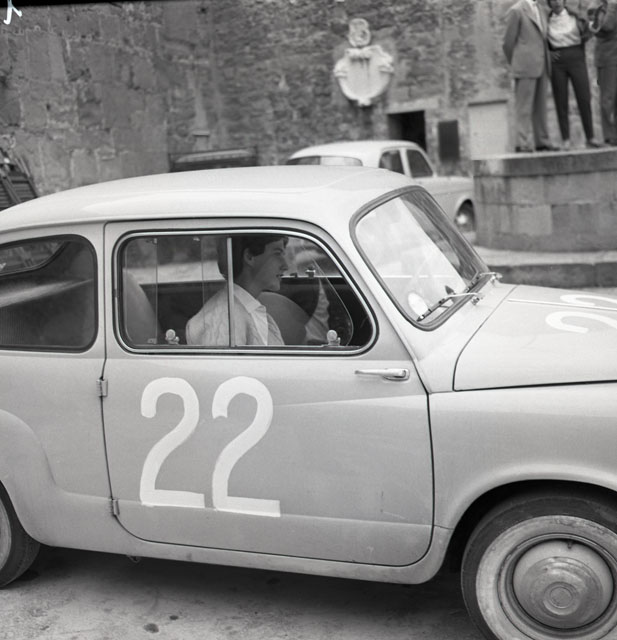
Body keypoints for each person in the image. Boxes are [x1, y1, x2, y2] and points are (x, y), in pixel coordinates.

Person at [185, 235, 288, 347]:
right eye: (277, 254)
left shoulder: (251, 310)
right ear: (249, 257)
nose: (285, 266)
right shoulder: (224, 318)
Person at [503, 0, 558, 152]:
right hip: (525, 65)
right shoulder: (516, 10)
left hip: (542, 64)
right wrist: (517, 62)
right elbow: (507, 43)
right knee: (524, 107)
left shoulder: (541, 9)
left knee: (541, 106)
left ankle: (542, 141)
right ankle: (522, 143)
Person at [547, 0, 600, 148]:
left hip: (576, 57)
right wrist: (547, 52)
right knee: (560, 99)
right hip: (557, 61)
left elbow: (590, 31)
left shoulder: (576, 17)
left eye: (559, 0)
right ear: (549, 3)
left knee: (584, 97)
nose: (557, 3)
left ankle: (590, 137)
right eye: (553, 1)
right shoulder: (546, 21)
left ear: (564, 1)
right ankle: (565, 140)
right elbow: (540, 40)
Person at [590, 0, 617, 144]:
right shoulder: (599, 9)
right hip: (607, 59)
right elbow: (606, 26)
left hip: (613, 57)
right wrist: (612, 5)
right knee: (607, 98)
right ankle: (609, 135)